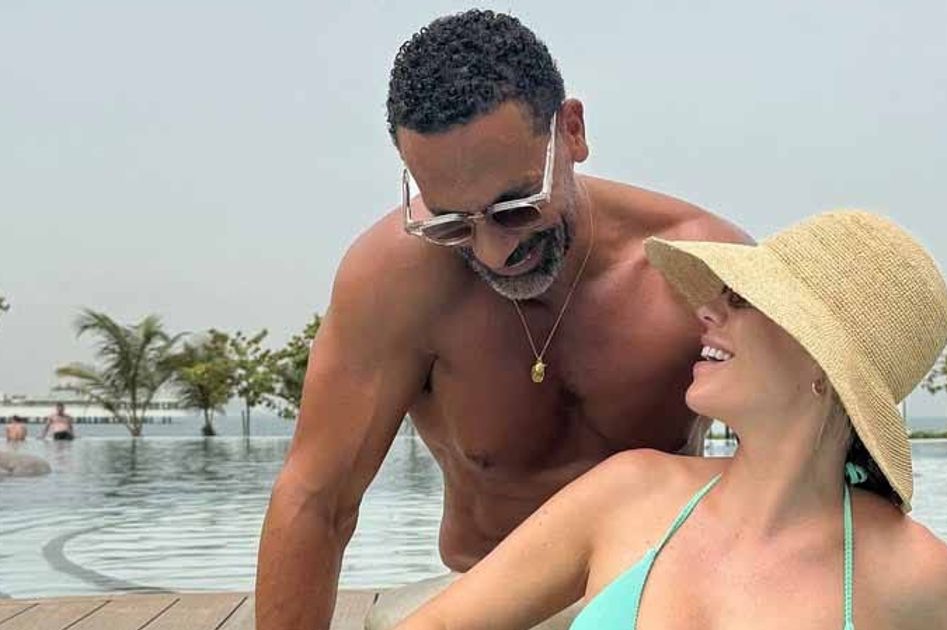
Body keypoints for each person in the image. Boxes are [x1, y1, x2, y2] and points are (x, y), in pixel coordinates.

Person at [254, 10, 748, 630]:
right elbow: (316, 500)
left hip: (658, 601)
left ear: (572, 133)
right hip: (479, 600)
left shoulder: (701, 271)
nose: (492, 252)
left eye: (515, 208)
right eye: (451, 223)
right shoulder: (396, 281)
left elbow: (809, 478)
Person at [396, 211, 947, 630]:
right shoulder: (629, 491)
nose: (705, 310)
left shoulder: (915, 577)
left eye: (741, 301)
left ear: (823, 366)